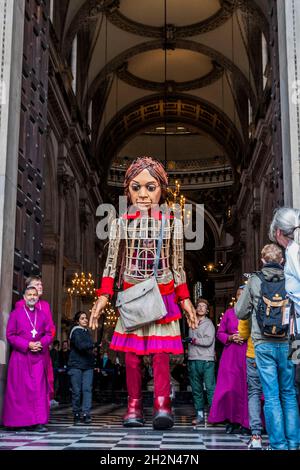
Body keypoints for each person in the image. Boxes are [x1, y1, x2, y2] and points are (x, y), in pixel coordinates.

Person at [89, 156, 197, 430]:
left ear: (162, 189)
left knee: (161, 354)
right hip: (132, 294)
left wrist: (185, 299)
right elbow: (111, 264)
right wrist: (103, 295)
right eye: (136, 188)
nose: (143, 195)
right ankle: (133, 405)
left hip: (163, 293)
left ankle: (163, 403)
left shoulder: (172, 223)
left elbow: (178, 265)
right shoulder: (119, 223)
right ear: (128, 190)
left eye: (151, 187)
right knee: (132, 356)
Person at [235, 243, 300, 450]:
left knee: (271, 395)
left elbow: (239, 312)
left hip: (262, 344)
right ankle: (294, 442)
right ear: (282, 261)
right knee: (288, 393)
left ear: (262, 261)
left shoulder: (255, 280)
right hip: (288, 343)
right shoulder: (291, 278)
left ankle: (278, 445)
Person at [3, 286, 53, 432]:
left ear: (38, 298)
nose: (32, 297)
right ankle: (20, 423)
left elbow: (48, 334)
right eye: (29, 295)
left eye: (34, 295)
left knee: (38, 390)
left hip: (37, 358)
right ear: (24, 297)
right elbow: (10, 335)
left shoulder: (42, 315)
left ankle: (37, 422)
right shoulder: (16, 314)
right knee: (20, 390)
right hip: (20, 357)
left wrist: (41, 343)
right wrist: (27, 344)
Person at [208, 288, 249, 433]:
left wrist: (245, 337)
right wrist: (231, 337)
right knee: (230, 388)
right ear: (236, 297)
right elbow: (220, 333)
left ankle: (247, 423)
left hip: (247, 352)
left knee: (247, 389)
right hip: (230, 355)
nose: (241, 297)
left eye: (244, 295)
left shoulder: (253, 312)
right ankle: (232, 421)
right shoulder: (229, 313)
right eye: (239, 295)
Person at [15, 276, 56, 404]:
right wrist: (29, 344)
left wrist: (43, 342)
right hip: (26, 350)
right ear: (29, 288)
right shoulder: (20, 305)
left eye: (41, 284)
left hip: (42, 350)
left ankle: (40, 415)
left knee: (42, 383)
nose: (40, 286)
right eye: (37, 284)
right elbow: (19, 328)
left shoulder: (45, 305)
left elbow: (51, 328)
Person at [187, 298, 215, 425]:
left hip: (206, 360)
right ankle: (199, 415)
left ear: (207, 310)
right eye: (199, 306)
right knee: (196, 389)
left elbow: (208, 341)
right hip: (193, 359)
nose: (200, 308)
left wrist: (194, 340)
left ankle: (214, 415)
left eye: (204, 306)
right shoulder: (191, 322)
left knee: (210, 388)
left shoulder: (209, 324)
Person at [238, 317, 264, 449]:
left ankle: (256, 437)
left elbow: (242, 332)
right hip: (283, 349)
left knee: (254, 393)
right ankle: (283, 439)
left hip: (256, 350)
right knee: (280, 394)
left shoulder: (252, 295)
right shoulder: (289, 294)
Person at [68, 311, 94, 424]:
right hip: (76, 365)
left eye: (86, 318)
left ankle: (86, 413)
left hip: (88, 365)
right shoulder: (75, 331)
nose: (85, 320)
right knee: (77, 391)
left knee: (87, 390)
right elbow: (81, 346)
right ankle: (77, 414)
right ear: (77, 321)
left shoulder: (86, 332)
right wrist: (95, 344)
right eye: (82, 318)